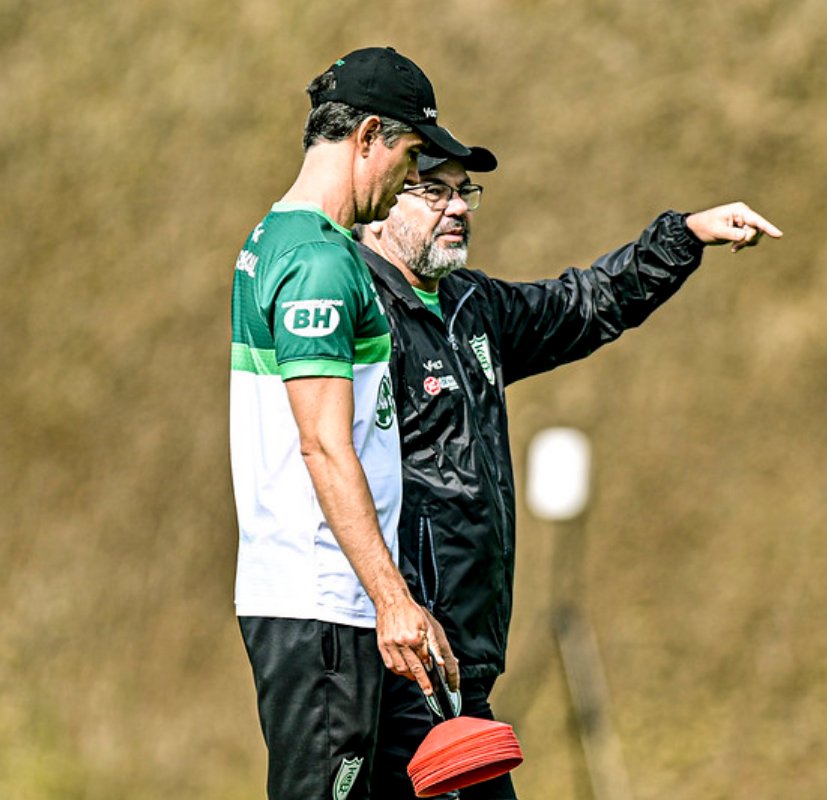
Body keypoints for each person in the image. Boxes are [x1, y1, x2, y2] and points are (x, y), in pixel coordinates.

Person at [354, 149, 783, 798]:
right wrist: (397, 605)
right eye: (434, 192)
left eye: (464, 191)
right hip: (396, 659)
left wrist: (686, 235)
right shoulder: (356, 311)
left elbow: (586, 303)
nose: (460, 207)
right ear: (382, 202)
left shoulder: (473, 304)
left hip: (461, 669)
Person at [229, 47, 477, 800]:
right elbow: (325, 444)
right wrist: (391, 598)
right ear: (369, 136)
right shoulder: (321, 262)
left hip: (326, 601)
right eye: (411, 154)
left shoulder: (281, 240)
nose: (412, 175)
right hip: (321, 602)